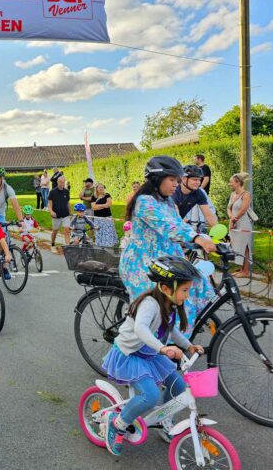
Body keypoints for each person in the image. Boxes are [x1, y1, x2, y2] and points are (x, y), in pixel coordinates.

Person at [102, 256, 205, 456]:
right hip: (131, 355)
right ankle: (118, 424)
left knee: (179, 387)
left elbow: (172, 330)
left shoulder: (169, 304)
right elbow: (141, 328)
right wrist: (162, 349)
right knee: (150, 396)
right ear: (166, 288)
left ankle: (165, 419)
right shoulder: (149, 303)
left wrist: (188, 346)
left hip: (149, 353)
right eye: (185, 290)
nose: (187, 294)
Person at [120, 156, 216, 337]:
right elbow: (167, 225)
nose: (176, 185)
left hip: (166, 258)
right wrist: (196, 238)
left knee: (195, 284)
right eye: (172, 179)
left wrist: (203, 241)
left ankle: (175, 343)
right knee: (157, 308)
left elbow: (178, 224)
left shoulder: (167, 201)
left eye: (177, 180)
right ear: (157, 179)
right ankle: (145, 348)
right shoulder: (144, 201)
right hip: (143, 262)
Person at [173, 165, 218, 234]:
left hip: (176, 224)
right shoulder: (174, 191)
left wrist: (219, 231)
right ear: (184, 179)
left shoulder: (198, 192)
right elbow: (176, 216)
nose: (198, 182)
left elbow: (208, 215)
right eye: (194, 179)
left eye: (199, 180)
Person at [227, 172, 254, 278]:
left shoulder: (246, 194)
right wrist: (231, 218)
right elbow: (229, 208)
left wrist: (235, 219)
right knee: (237, 246)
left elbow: (243, 209)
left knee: (245, 247)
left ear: (238, 182)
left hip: (243, 223)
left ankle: (246, 271)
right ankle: (241, 268)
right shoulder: (233, 194)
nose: (230, 184)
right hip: (234, 222)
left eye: (231, 182)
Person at [91, 182, 118, 248]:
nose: (101, 188)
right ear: (96, 189)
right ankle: (100, 246)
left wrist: (98, 205)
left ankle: (109, 246)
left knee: (108, 232)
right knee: (99, 233)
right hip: (98, 219)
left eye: (102, 187)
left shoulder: (107, 195)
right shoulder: (93, 197)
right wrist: (104, 205)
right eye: (99, 187)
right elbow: (93, 208)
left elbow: (109, 204)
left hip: (107, 217)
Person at [48, 175, 71, 250]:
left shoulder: (66, 191)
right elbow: (49, 204)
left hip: (65, 215)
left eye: (63, 182)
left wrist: (70, 211)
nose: (62, 184)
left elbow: (67, 202)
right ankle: (52, 244)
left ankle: (68, 247)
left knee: (67, 230)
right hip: (56, 216)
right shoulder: (52, 192)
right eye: (60, 182)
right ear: (57, 182)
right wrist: (51, 211)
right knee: (55, 231)